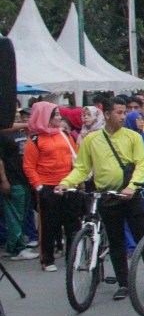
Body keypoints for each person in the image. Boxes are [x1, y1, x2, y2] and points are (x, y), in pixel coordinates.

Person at [56, 96, 144, 301]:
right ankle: (123, 283)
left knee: (143, 238)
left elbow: (142, 165)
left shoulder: (133, 137)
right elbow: (82, 168)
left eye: (124, 112)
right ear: (106, 114)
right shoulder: (91, 139)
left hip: (131, 196)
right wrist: (66, 183)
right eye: (119, 112)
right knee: (116, 242)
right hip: (107, 197)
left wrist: (132, 187)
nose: (123, 116)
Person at [23, 102, 81, 271]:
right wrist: (39, 186)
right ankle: (47, 260)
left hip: (68, 184)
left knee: (72, 223)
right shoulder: (35, 139)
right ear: (45, 117)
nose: (59, 117)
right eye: (55, 114)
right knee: (49, 225)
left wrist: (74, 180)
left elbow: (74, 156)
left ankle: (73, 256)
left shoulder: (64, 134)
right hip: (48, 186)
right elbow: (29, 166)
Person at [0, 125, 38, 262]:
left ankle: (13, 246)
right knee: (15, 216)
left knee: (20, 215)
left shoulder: (19, 132)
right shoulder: (3, 134)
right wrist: (4, 180)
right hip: (12, 180)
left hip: (23, 179)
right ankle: (18, 248)